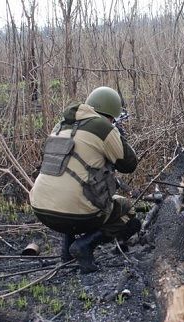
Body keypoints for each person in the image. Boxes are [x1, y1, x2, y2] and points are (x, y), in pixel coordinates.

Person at [30, 86, 139, 273]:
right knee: (127, 211)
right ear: (112, 113)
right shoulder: (103, 128)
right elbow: (129, 164)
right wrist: (118, 134)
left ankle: (66, 253)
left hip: (41, 209)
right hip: (77, 213)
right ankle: (85, 245)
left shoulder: (61, 125)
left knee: (70, 192)